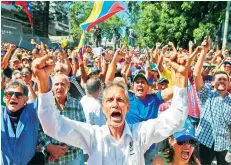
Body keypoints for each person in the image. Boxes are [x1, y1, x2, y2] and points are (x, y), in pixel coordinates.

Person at [34, 45, 189, 165]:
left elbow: (176, 120)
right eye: (109, 100)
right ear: (103, 108)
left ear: (127, 107)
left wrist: (182, 77)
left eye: (120, 100)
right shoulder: (93, 136)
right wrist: (42, 82)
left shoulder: (140, 134)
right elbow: (52, 125)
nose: (115, 104)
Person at [193, 39, 231, 165]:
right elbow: (196, 74)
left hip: (224, 144)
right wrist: (204, 52)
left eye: (224, 79)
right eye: (219, 79)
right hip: (205, 141)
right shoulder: (207, 94)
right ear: (213, 82)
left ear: (228, 83)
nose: (221, 81)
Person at [38, 73, 86, 165]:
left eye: (63, 84)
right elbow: (39, 129)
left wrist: (66, 147)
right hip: (50, 158)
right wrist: (50, 147)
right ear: (52, 86)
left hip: (72, 157)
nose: (59, 87)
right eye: (56, 84)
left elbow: (82, 129)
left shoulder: (76, 104)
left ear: (68, 86)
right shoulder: (45, 105)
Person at [1, 80, 40, 165]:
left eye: (18, 95)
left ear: (26, 99)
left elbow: (45, 101)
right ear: (4, 98)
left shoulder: (33, 111)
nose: (13, 97)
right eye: (9, 94)